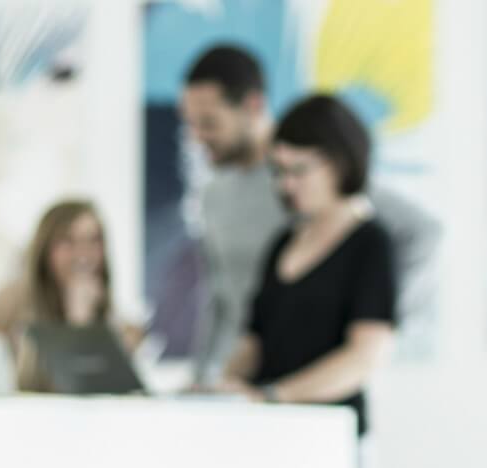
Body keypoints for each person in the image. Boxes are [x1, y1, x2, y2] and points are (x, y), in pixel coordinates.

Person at [178, 44, 437, 390]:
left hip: (317, 383)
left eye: (209, 123)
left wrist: (371, 313)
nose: (198, 137)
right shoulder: (217, 201)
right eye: (191, 124)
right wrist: (206, 380)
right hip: (250, 389)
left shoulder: (320, 176)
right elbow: (221, 301)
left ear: (252, 106)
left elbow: (421, 232)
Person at [211, 95, 397, 438]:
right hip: (270, 433)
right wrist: (224, 386)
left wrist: (274, 396)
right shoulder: (282, 242)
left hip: (329, 438)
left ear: (339, 163)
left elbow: (363, 358)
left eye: (299, 170)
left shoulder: (370, 244)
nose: (287, 184)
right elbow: (255, 343)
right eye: (279, 171)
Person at [0, 200, 144, 392]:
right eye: (68, 241)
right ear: (45, 248)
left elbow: (93, 392)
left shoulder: (113, 320)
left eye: (94, 240)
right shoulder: (10, 300)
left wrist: (83, 319)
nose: (83, 254)